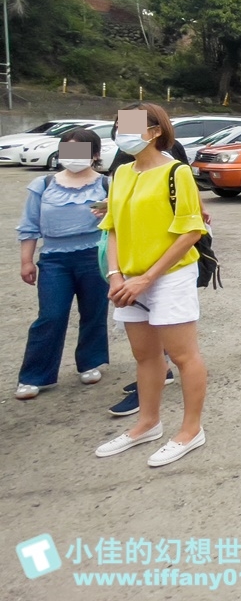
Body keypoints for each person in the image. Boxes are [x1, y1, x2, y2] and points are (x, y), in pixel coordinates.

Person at [94, 103, 210, 467]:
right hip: (128, 279)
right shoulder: (122, 174)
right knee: (145, 356)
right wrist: (116, 274)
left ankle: (191, 430)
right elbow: (111, 227)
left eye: (128, 125)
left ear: (155, 130)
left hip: (168, 276)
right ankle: (147, 423)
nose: (120, 131)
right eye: (117, 124)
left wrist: (149, 277)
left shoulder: (177, 173)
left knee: (182, 355)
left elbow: (191, 230)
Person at [14, 128, 111, 399]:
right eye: (69, 150)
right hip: (54, 259)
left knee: (93, 312)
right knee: (51, 315)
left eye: (81, 151)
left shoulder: (106, 185)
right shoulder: (43, 184)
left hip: (94, 257)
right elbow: (29, 225)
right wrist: (26, 261)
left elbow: (120, 223)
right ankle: (35, 375)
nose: (74, 157)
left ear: (95, 155)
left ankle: (91, 362)